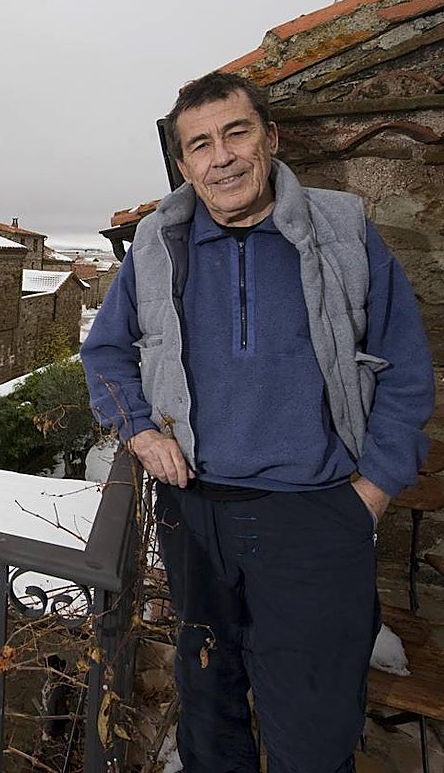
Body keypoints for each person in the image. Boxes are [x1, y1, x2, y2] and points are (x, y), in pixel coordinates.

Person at [81, 72, 435, 772]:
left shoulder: (343, 231)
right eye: (201, 144)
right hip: (195, 513)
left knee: (314, 724)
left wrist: (372, 491)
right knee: (209, 706)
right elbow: (106, 353)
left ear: (269, 139)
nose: (223, 157)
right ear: (184, 166)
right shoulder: (157, 244)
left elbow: (406, 367)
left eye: (236, 132)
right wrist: (143, 434)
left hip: (314, 517)